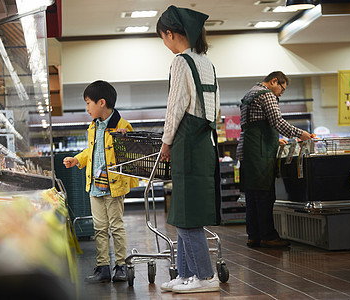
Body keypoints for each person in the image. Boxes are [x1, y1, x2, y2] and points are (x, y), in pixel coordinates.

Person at [157, 5, 221, 294]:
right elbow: (215, 110)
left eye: (163, 37)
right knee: (185, 211)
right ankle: (185, 275)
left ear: (170, 34)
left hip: (186, 145)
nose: (164, 43)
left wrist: (166, 142)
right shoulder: (207, 62)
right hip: (204, 143)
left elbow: (176, 107)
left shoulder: (182, 61)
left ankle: (205, 277)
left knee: (188, 214)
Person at [63, 80, 139, 283]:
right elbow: (92, 150)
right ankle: (103, 267)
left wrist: (125, 139)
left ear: (102, 103)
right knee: (99, 228)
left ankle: (121, 266)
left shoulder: (122, 126)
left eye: (88, 103)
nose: (87, 108)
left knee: (116, 226)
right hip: (95, 185)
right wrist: (78, 159)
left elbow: (133, 153)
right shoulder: (93, 127)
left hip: (114, 186)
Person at [236, 71, 313, 248]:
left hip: (248, 150)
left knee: (252, 197)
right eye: (282, 90)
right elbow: (278, 122)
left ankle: (253, 236)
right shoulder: (266, 95)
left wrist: (273, 139)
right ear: (274, 81)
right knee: (264, 195)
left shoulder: (250, 93)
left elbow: (254, 124)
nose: (280, 94)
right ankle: (268, 236)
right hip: (259, 152)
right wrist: (301, 134)